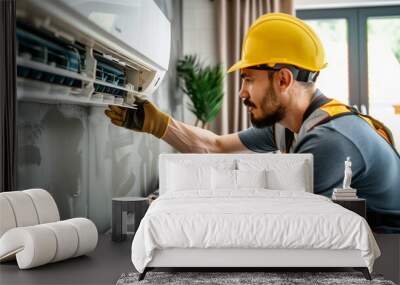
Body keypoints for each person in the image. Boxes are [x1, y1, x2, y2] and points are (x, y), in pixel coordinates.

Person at [105, 13, 400, 233]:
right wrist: (159, 124)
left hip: (388, 252)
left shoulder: (331, 141)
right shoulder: (287, 124)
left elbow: (279, 221)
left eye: (248, 79)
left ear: (283, 79)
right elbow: (217, 146)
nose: (241, 92)